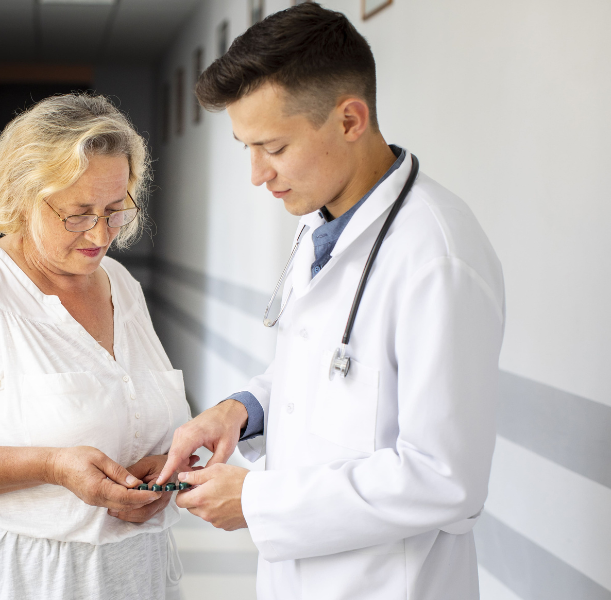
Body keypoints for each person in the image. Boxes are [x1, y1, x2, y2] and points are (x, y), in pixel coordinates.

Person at [156, 4, 505, 599]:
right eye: (247, 147)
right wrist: (239, 412)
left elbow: (444, 478)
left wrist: (255, 499)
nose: (257, 174)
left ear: (349, 119)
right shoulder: (323, 218)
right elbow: (326, 370)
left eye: (273, 146)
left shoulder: (436, 257)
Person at [0, 94, 193, 600]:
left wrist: (157, 467)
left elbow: (133, 411)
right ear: (24, 194)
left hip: (135, 575)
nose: (101, 233)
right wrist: (54, 467)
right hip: (21, 579)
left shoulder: (120, 283)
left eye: (115, 210)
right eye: (78, 214)